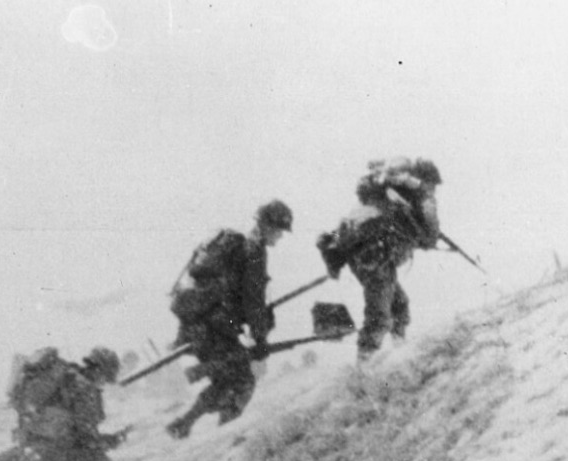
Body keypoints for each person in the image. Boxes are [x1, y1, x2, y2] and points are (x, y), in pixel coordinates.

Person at [165, 199, 293, 440]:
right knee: (243, 381)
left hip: (197, 325)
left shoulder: (233, 247)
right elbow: (253, 301)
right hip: (214, 327)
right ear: (267, 225)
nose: (281, 236)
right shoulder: (254, 250)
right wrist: (260, 338)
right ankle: (224, 436)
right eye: (279, 230)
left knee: (228, 379)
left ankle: (184, 422)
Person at [317, 157, 443, 360]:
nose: (433, 190)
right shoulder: (419, 197)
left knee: (400, 305)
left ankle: (399, 351)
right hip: (376, 257)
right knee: (380, 317)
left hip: (367, 254)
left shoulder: (383, 196)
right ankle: (363, 366)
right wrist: (427, 238)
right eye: (433, 185)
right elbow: (430, 234)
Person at [7, 346, 125, 461]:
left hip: (30, 446)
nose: (103, 382)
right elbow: (87, 435)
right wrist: (114, 440)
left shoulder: (66, 376)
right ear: (100, 371)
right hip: (54, 455)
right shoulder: (85, 388)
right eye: (106, 378)